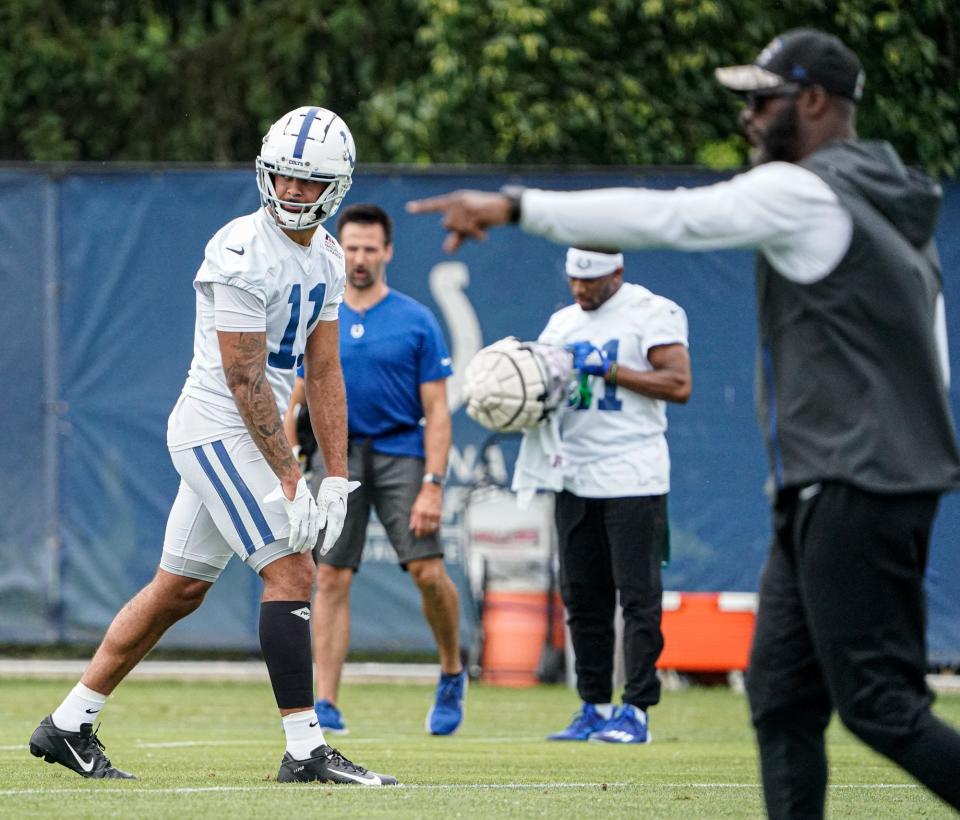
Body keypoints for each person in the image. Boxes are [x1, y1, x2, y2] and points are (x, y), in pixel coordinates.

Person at [408, 28, 960, 816]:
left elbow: (676, 218)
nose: (748, 117)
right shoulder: (889, 202)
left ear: (811, 103)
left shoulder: (806, 190)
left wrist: (515, 204)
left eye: (760, 100)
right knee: (777, 693)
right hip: (851, 479)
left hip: (855, 478)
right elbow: (929, 360)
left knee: (877, 703)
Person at [29, 107, 396, 786]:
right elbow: (244, 378)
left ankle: (68, 725)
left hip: (245, 433)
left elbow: (323, 371)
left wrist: (338, 477)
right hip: (216, 425)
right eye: (282, 176)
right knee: (291, 568)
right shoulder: (239, 248)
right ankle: (306, 751)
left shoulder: (326, 255)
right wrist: (292, 478)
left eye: (306, 182)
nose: (290, 191)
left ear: (334, 188)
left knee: (180, 590)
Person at [303, 203, 466, 737]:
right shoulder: (320, 314)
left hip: (402, 453)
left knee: (428, 572)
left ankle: (450, 671)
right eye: (351, 247)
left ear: (388, 252)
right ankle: (325, 702)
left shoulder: (416, 320)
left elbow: (438, 412)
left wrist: (434, 486)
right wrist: (286, 471)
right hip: (336, 456)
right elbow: (294, 404)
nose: (360, 257)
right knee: (329, 576)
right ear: (337, 249)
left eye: (370, 248)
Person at [533, 248, 691, 744]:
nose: (581, 290)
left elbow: (680, 383)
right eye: (574, 280)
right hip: (574, 474)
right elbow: (539, 390)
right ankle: (594, 706)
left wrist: (612, 371)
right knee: (582, 597)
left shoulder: (652, 311)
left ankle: (637, 711)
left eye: (593, 281)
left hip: (633, 473)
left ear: (618, 273)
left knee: (638, 596)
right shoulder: (560, 324)